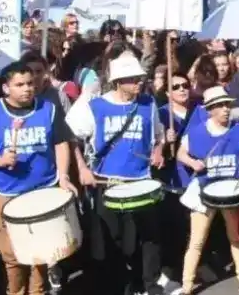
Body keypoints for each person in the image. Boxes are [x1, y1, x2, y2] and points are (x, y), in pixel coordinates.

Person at [0, 61, 77, 295]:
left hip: (41, 190)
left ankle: (38, 292)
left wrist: (64, 175)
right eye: (20, 84)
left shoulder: (48, 109)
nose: (27, 88)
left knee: (40, 254)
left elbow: (60, 143)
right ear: (6, 88)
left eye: (30, 83)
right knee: (13, 257)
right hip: (3, 193)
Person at [67, 51, 167, 295]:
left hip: (142, 180)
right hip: (107, 183)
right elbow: (70, 137)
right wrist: (81, 168)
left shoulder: (148, 104)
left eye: (139, 77)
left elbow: (158, 133)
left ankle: (149, 284)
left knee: (148, 239)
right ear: (118, 82)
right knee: (113, 241)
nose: (138, 82)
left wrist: (159, 149)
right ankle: (118, 285)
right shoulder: (95, 107)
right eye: (132, 78)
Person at [175, 87, 239, 295]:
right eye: (220, 106)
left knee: (236, 237)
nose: (225, 109)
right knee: (197, 241)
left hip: (230, 191)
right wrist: (192, 162)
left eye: (227, 105)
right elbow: (180, 153)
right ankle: (186, 286)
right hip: (204, 191)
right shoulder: (196, 132)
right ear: (210, 109)